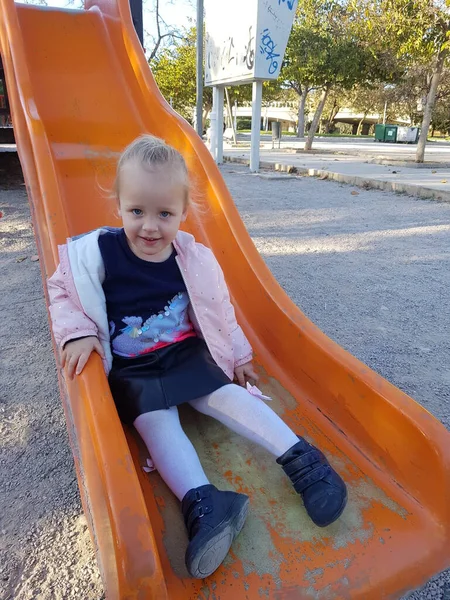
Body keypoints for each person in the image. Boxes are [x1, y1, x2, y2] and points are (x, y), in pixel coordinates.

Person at [47, 134, 347, 579]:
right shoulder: (95, 254)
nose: (150, 226)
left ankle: (303, 459)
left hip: (187, 353)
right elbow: (60, 291)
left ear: (184, 213)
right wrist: (76, 333)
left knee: (226, 395)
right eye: (137, 212)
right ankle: (205, 504)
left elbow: (218, 307)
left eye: (165, 214)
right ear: (119, 206)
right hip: (135, 370)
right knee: (155, 424)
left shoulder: (193, 257)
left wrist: (240, 352)